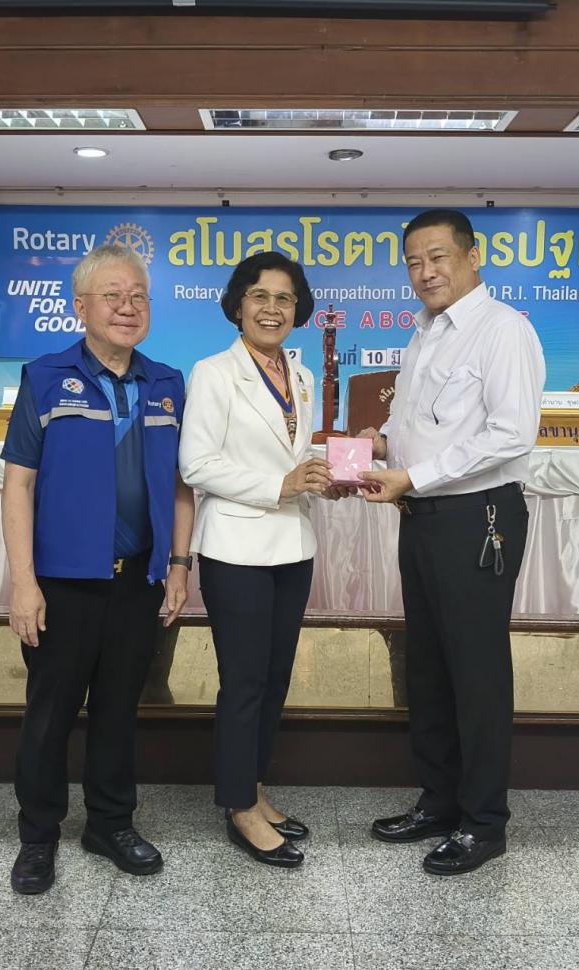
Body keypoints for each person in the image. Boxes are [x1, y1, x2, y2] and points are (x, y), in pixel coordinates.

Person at [0, 244, 194, 894]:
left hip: (137, 581)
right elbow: (18, 485)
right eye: (112, 296)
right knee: (50, 714)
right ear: (80, 307)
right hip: (62, 584)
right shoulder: (45, 377)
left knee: (118, 709)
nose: (127, 307)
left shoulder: (166, 383)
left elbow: (182, 486)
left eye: (137, 296)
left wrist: (177, 565)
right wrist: (23, 583)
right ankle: (38, 836)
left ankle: (110, 823)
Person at [358, 209, 545, 876]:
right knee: (430, 668)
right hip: (422, 516)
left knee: (476, 673)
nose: (425, 272)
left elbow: (511, 434)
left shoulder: (503, 330)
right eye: (413, 262)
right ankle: (438, 802)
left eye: (437, 257)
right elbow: (415, 422)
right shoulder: (423, 333)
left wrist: (413, 475)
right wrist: (378, 445)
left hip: (478, 517)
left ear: (472, 256)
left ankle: (484, 822)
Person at [179, 252, 335, 869]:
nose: (273, 308)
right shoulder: (214, 372)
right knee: (244, 682)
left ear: (298, 309)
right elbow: (197, 464)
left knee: (274, 679)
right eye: (260, 296)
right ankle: (238, 805)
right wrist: (280, 485)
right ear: (238, 304)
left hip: (293, 545)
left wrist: (320, 478)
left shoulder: (298, 373)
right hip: (237, 548)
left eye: (285, 298)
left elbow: (292, 457)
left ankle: (255, 786)